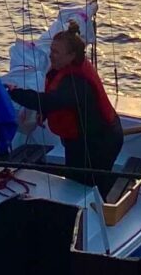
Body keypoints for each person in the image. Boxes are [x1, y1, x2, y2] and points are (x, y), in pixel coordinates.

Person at [9, 22, 124, 190]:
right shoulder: (62, 69)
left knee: (85, 187)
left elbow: (50, 100)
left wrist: (14, 93)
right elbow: (54, 101)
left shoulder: (76, 82)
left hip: (99, 143)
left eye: (56, 52)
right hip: (79, 140)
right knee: (74, 182)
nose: (50, 55)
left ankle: (97, 211)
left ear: (71, 55)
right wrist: (45, 113)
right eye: (51, 50)